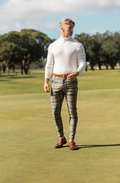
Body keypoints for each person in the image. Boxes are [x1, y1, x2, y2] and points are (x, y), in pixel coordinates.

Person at [44, 18, 86, 150]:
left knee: (72, 111)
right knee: (55, 111)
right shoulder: (53, 45)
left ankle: (72, 140)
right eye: (69, 28)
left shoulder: (77, 45)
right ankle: (61, 137)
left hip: (71, 82)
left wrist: (77, 73)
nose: (72, 31)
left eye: (73, 28)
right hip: (55, 81)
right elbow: (49, 65)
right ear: (61, 28)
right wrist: (46, 81)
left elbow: (83, 63)